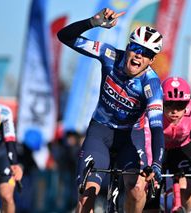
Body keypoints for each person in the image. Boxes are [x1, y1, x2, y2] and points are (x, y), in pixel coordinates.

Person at [57, 7, 165, 213]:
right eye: (136, 48)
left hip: (131, 137)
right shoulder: (109, 55)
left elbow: (157, 127)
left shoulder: (151, 84)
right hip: (101, 131)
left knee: (137, 189)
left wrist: (158, 164)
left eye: (146, 54)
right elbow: (64, 36)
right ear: (128, 46)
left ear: (151, 60)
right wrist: (93, 22)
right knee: (87, 195)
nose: (138, 56)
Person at [144, 77, 191, 213]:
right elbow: (147, 142)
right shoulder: (154, 108)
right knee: (149, 196)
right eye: (169, 104)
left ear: (187, 104)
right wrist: (150, 168)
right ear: (162, 102)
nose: (174, 111)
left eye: (180, 106)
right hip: (156, 148)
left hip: (181, 147)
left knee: (187, 188)